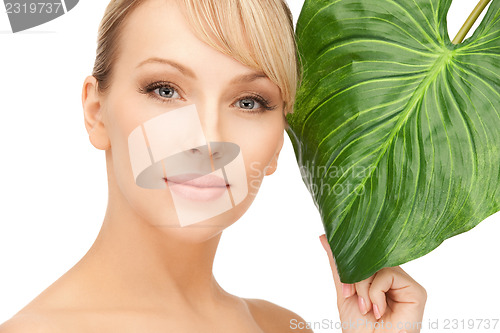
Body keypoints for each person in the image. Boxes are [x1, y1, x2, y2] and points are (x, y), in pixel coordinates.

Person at [0, 0, 426, 332]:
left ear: (281, 140)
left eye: (249, 102)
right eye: (165, 90)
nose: (207, 139)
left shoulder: (281, 328)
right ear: (96, 112)